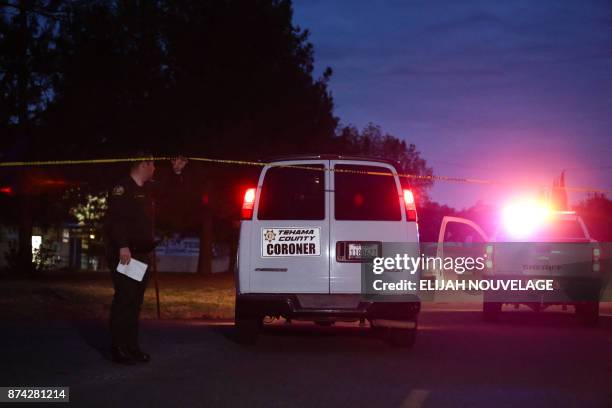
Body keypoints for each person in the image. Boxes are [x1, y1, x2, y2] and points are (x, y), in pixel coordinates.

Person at [105, 152, 188, 364]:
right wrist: (123, 246)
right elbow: (116, 221)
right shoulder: (122, 189)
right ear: (143, 164)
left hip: (140, 254)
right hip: (126, 254)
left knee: (135, 301)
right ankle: (118, 348)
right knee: (124, 299)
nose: (155, 169)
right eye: (152, 165)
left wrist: (177, 171)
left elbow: (170, 191)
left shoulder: (147, 189)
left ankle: (132, 347)